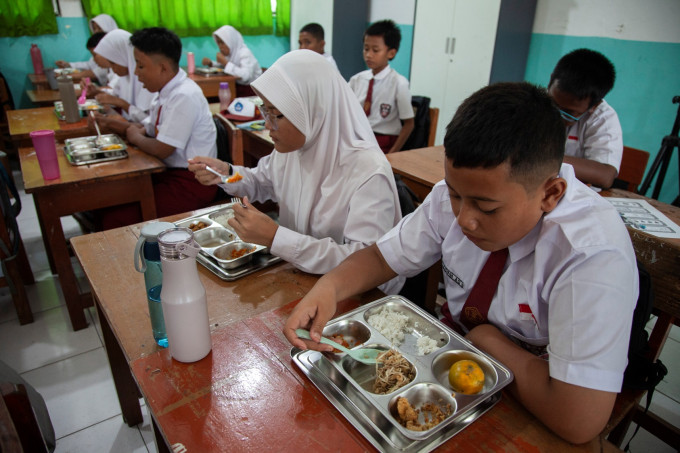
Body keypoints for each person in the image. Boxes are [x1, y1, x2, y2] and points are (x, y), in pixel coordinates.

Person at [283, 82, 638, 444]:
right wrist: (329, 287)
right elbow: (380, 257)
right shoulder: (456, 196)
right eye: (455, 195)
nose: (465, 219)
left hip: (530, 397)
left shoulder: (590, 256)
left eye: (487, 208)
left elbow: (578, 418)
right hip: (456, 360)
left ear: (550, 193)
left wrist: (486, 340)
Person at [188, 50, 403, 294]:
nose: (267, 124)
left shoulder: (368, 172)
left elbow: (366, 263)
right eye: (265, 110)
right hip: (300, 276)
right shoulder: (293, 149)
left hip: (354, 293)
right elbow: (259, 180)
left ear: (312, 111)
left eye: (275, 114)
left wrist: (276, 238)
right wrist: (226, 173)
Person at [91, 27, 218, 230]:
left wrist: (134, 136)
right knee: (105, 201)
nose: (136, 72)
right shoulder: (165, 93)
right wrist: (117, 125)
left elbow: (162, 148)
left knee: (115, 219)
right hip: (167, 172)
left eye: (140, 66)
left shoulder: (184, 95)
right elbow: (147, 127)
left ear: (163, 68)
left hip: (192, 182)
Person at [548, 48, 623, 189]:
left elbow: (605, 175)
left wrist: (542, 159)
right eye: (553, 104)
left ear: (594, 106)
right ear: (550, 81)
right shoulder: (534, 100)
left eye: (569, 113)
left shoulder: (603, 119)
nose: (557, 115)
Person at [349, 19, 414, 154]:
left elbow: (409, 124)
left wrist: (393, 154)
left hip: (383, 143)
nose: (368, 55)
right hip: (358, 138)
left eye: (375, 50)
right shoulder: (356, 80)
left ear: (391, 53)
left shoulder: (399, 83)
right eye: (366, 49)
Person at [89, 29, 157, 123]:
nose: (113, 69)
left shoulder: (147, 79)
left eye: (113, 63)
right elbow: (115, 94)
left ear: (124, 56)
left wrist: (123, 104)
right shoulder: (124, 77)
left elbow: (151, 123)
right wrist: (97, 91)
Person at [201, 25, 262, 97]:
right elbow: (227, 67)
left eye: (222, 42)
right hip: (236, 87)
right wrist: (211, 63)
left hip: (251, 91)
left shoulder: (245, 53)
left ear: (230, 41)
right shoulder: (231, 53)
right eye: (218, 43)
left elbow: (246, 76)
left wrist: (225, 63)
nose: (220, 46)